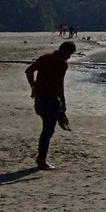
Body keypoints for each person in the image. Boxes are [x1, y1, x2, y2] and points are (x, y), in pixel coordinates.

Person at [25, 41, 76, 170]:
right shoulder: (61, 64)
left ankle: (41, 158)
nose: (69, 57)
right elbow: (59, 84)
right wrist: (63, 101)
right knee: (48, 130)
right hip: (50, 99)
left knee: (47, 128)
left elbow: (29, 71)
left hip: (39, 99)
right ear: (64, 51)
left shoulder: (45, 57)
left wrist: (33, 87)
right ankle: (41, 160)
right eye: (69, 54)